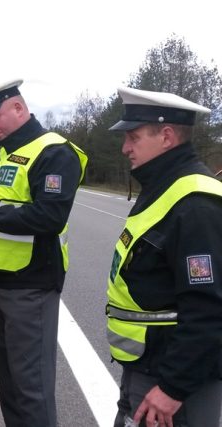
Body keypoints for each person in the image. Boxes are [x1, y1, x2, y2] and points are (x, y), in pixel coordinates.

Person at [0, 79, 87, 426]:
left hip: (32, 287)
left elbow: (50, 216)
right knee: (10, 387)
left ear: (19, 109)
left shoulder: (54, 151)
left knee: (31, 391)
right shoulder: (1, 155)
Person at [105, 87, 222, 427]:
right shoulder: (164, 188)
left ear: (167, 135)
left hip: (173, 383)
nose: (125, 147)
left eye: (134, 137)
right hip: (148, 366)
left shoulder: (195, 204)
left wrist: (172, 387)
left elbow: (210, 308)